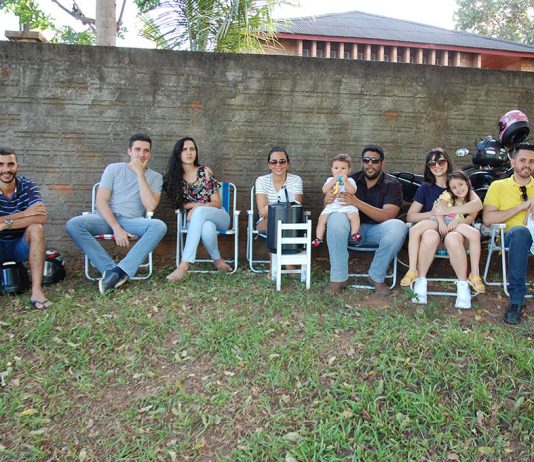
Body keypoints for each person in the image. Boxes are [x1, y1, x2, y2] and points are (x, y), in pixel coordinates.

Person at [66, 134, 167, 295]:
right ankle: (110, 269)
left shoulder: (156, 177)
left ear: (150, 154)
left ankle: (121, 271)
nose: (141, 154)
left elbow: (150, 206)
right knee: (74, 224)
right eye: (137, 149)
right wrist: (116, 228)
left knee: (159, 226)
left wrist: (140, 174)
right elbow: (101, 201)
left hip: (132, 221)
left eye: (146, 151)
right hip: (105, 219)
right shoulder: (113, 169)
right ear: (129, 151)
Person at [401, 149, 483, 308]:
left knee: (453, 238)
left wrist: (448, 211)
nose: (437, 165)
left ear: (448, 162)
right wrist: (433, 213)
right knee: (429, 235)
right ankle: (420, 281)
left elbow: (477, 205)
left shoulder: (458, 182)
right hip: (434, 235)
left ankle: (463, 286)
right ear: (428, 167)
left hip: (457, 234)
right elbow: (410, 216)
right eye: (432, 163)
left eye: (441, 161)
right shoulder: (425, 188)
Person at [325, 144, 407, 295]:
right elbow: (330, 207)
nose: (370, 164)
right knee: (335, 218)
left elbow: (388, 215)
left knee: (399, 226)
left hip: (377, 231)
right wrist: (327, 199)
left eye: (375, 160)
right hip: (350, 230)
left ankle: (376, 276)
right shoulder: (350, 180)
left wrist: (357, 202)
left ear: (382, 162)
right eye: (366, 160)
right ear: (362, 162)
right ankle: (338, 278)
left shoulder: (392, 184)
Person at [164, 137, 231, 281]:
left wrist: (197, 208)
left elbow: (217, 202)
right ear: (178, 153)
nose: (189, 152)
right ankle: (218, 260)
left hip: (219, 216)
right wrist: (197, 206)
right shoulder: (174, 179)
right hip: (197, 221)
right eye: (184, 149)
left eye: (192, 149)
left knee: (201, 213)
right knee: (207, 227)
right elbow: (178, 204)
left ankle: (183, 266)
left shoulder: (204, 172)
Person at [483, 143, 534, 324]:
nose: (527, 165)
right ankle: (516, 301)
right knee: (521, 233)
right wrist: (521, 207)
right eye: (522, 160)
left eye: (531, 161)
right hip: (511, 237)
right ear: (513, 162)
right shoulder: (498, 186)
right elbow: (488, 219)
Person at [0, 147, 51, 309]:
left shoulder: (27, 185)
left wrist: (6, 223)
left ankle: (36, 291)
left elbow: (41, 217)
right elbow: (32, 214)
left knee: (37, 228)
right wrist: (25, 214)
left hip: (20, 245)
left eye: (10, 164)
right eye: (1, 165)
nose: (6, 170)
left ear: (17, 166)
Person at [313, 153, 360, 247]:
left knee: (355, 216)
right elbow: (324, 190)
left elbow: (353, 191)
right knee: (322, 219)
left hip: (346, 206)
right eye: (336, 168)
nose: (339, 171)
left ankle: (354, 234)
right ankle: (319, 238)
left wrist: (345, 182)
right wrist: (333, 181)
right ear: (332, 170)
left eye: (343, 168)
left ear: (349, 170)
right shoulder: (330, 179)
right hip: (332, 206)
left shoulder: (350, 180)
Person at [255, 146, 303, 234]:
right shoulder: (261, 180)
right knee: (273, 225)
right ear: (269, 165)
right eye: (274, 162)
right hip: (267, 221)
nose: (278, 165)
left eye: (282, 161)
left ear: (287, 163)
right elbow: (263, 212)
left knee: (287, 226)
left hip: (290, 220)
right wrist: (284, 203)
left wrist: (273, 207)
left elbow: (295, 209)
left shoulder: (296, 180)